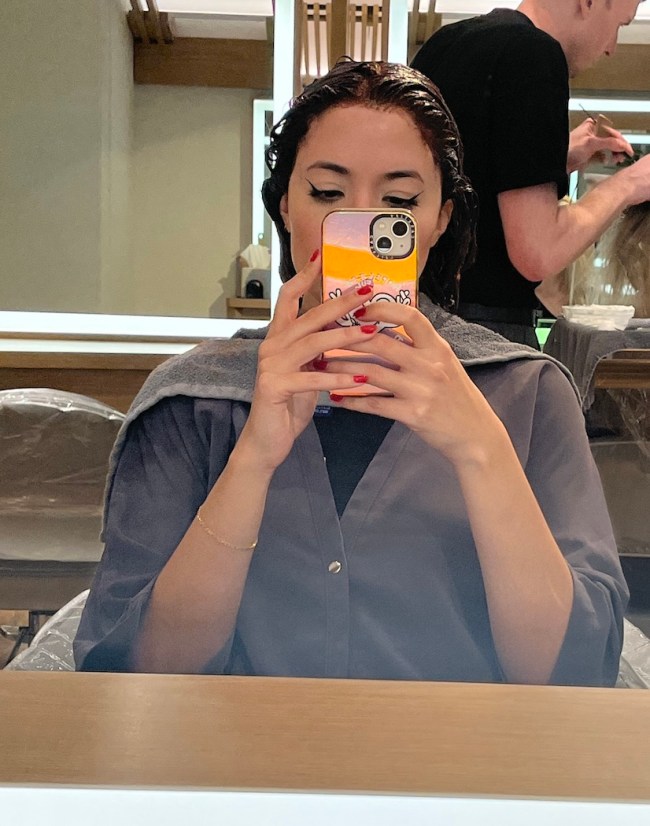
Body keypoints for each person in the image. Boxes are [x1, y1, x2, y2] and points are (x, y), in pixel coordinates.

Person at [74, 60, 627, 686]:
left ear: (440, 219)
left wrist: (483, 451)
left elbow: (578, 673)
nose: (360, 222)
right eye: (328, 194)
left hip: (461, 748)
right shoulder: (191, 402)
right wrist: (251, 461)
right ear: (286, 206)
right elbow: (133, 672)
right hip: (235, 748)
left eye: (398, 202)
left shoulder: (528, 393)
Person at [411, 0, 650, 347]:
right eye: (620, 25)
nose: (612, 47)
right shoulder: (536, 54)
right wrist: (630, 183)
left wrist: (553, 161)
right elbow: (537, 253)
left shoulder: (445, 42)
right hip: (484, 338)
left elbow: (464, 181)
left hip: (418, 319)